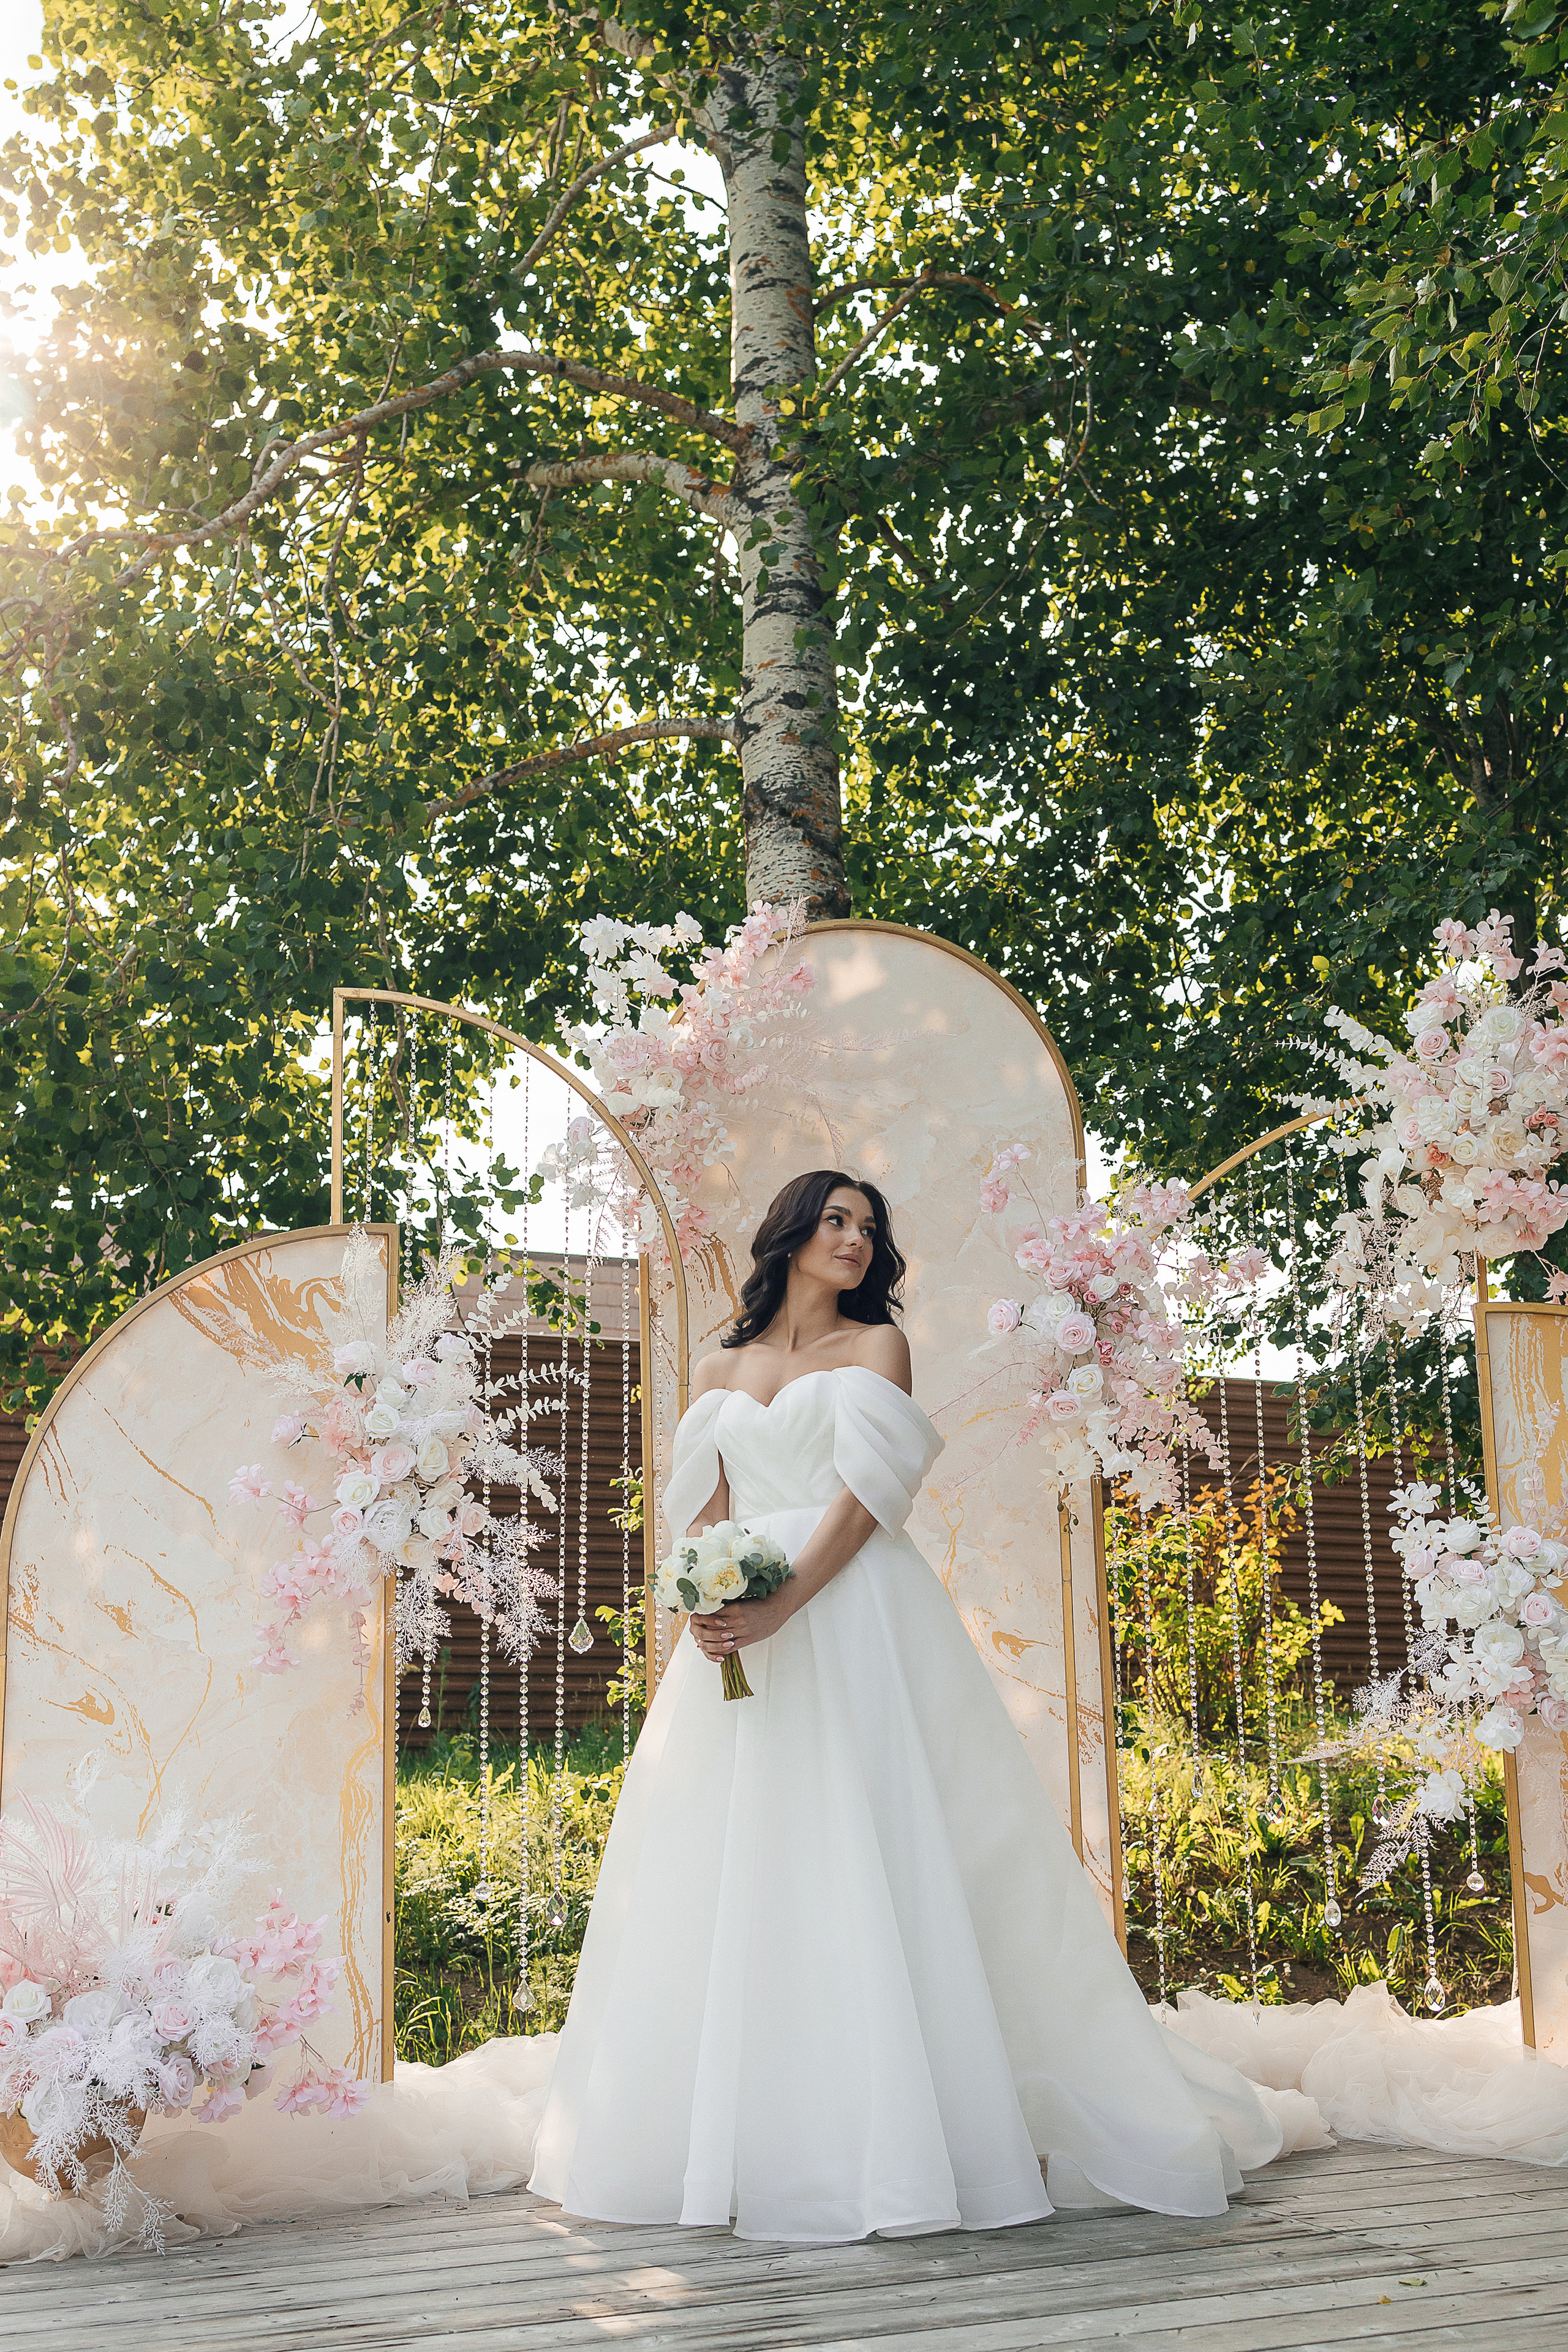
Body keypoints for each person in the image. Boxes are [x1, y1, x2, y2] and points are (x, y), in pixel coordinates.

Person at [529, 1170, 1291, 2242]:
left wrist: (788, 1600)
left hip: (855, 1617)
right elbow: (702, 1514)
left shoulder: (875, 1347)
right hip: (740, 1627)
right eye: (836, 1221)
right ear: (789, 1231)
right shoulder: (717, 1365)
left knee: (883, 1842)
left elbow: (869, 1499)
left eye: (870, 1228)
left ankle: (921, 2131)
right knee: (743, 1860)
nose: (855, 1240)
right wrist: (701, 1609)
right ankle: (748, 2135)